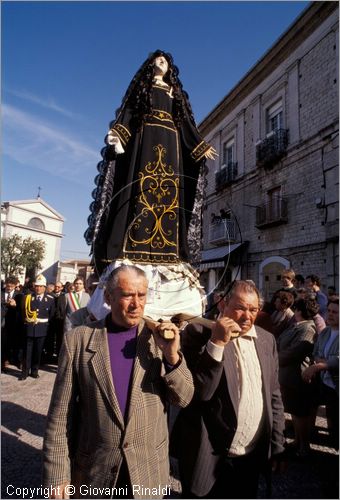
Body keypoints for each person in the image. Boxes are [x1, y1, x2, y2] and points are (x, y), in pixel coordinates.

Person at [84, 50, 217, 321]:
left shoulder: (174, 93)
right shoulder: (143, 90)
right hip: (144, 144)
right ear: (150, 65)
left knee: (169, 195)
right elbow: (129, 115)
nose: (161, 63)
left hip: (171, 145)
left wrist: (199, 147)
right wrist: (118, 134)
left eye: (165, 61)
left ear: (170, 68)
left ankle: (169, 252)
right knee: (141, 192)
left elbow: (187, 125)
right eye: (157, 60)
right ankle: (131, 247)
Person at [43, 265, 194, 499]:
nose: (136, 304)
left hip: (147, 473)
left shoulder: (159, 340)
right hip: (95, 473)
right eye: (127, 295)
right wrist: (57, 475)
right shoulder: (78, 341)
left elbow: (184, 398)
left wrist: (172, 357)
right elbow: (60, 414)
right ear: (108, 297)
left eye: (141, 295)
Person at [172, 280, 285, 499]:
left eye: (253, 310)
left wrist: (278, 445)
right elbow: (199, 393)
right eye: (240, 308)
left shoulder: (266, 340)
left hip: (250, 457)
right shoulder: (199, 333)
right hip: (210, 456)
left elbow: (274, 395)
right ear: (222, 304)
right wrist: (216, 343)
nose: (247, 316)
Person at [277, 297, 318, 457]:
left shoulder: (308, 328)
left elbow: (295, 352)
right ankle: (297, 441)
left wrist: (275, 358)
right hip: (288, 376)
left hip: (297, 376)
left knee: (301, 413)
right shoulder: (296, 325)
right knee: (294, 411)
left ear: (299, 311)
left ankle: (304, 447)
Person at [302, 296, 339, 450]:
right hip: (326, 382)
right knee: (331, 416)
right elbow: (316, 352)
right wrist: (323, 361)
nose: (330, 314)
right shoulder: (325, 332)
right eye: (329, 311)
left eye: (335, 312)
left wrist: (319, 365)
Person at [21, 274, 55, 380]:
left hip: (42, 328)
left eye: (41, 286)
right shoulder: (28, 298)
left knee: (38, 351)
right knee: (27, 351)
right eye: (37, 286)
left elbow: (51, 315)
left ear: (45, 287)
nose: (38, 288)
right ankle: (25, 372)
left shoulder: (50, 299)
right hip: (30, 327)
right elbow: (23, 312)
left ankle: (34, 371)